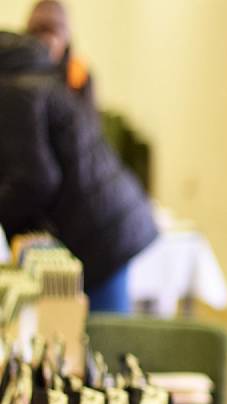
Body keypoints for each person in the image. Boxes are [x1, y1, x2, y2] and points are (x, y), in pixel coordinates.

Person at [0, 31, 157, 312]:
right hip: (104, 220)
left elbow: (36, 179)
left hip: (100, 229)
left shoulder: (13, 90)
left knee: (104, 340)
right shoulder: (26, 76)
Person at [26, 0, 93, 106]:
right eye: (38, 31)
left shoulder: (77, 74)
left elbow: (87, 119)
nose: (47, 40)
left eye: (53, 31)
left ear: (66, 37)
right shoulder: (16, 69)